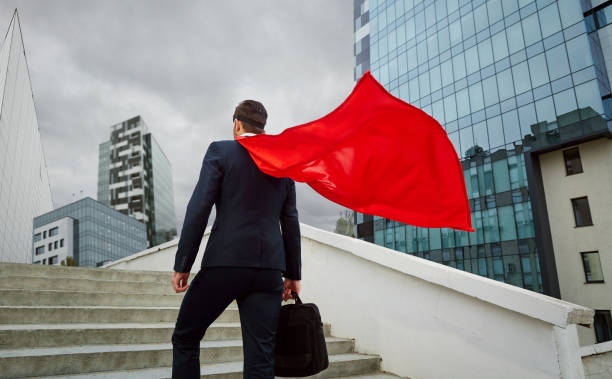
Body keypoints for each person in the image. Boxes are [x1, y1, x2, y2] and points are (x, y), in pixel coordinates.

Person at [170, 99, 302, 379]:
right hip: (269, 271)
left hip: (225, 264)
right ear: (263, 129)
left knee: (185, 338)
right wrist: (293, 274)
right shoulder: (282, 164)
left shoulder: (221, 151)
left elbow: (198, 210)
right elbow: (290, 221)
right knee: (261, 358)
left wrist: (184, 263)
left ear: (237, 124)